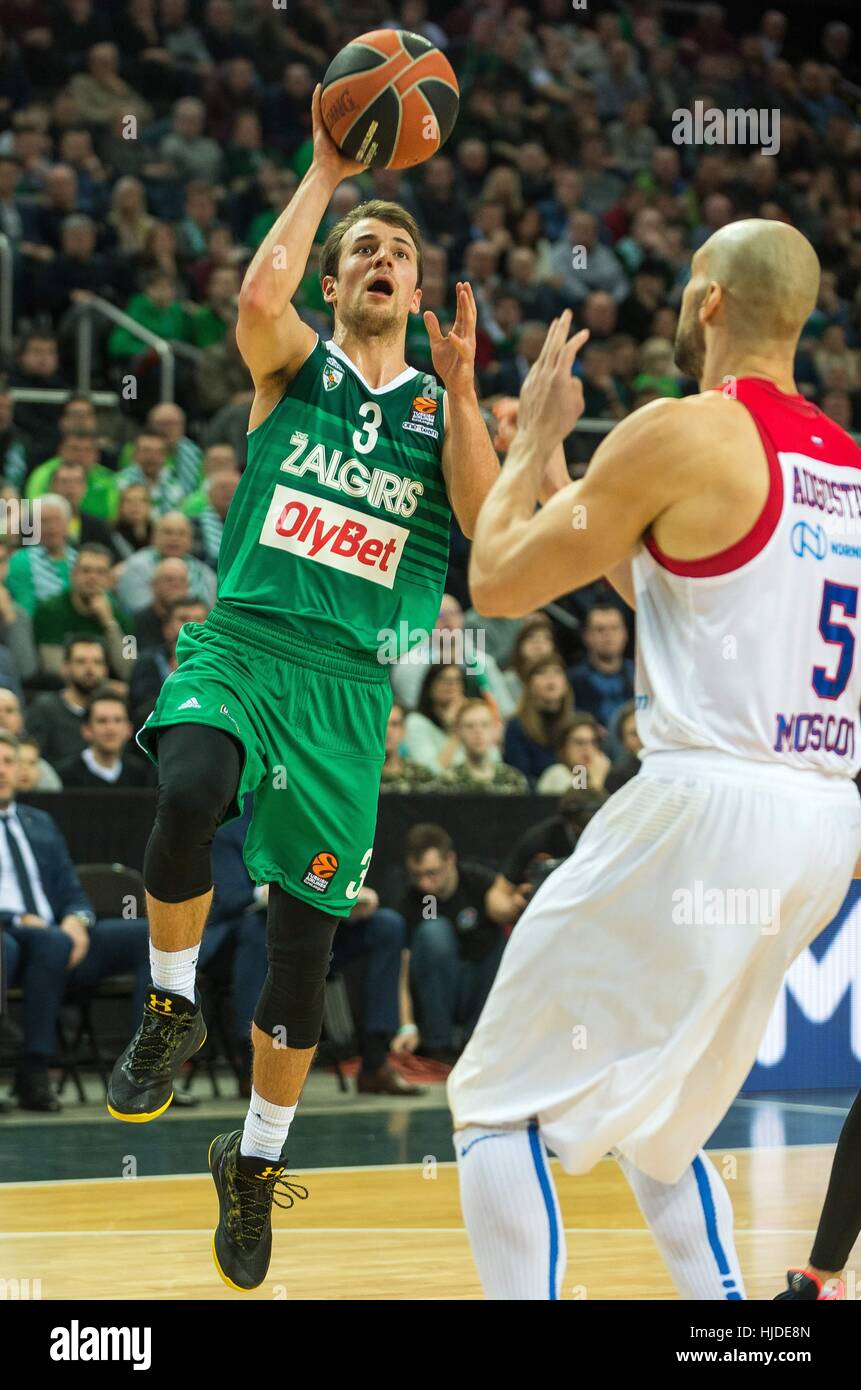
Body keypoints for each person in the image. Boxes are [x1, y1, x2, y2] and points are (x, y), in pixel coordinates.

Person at [106, 83, 499, 1293]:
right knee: (188, 788)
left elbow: (489, 533)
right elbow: (257, 299)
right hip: (245, 639)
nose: (382, 260)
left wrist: (474, 393)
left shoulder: (437, 410)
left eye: (400, 251)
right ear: (336, 283)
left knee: (300, 953)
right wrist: (329, 171)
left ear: (420, 290)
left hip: (346, 689)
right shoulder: (294, 363)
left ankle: (255, 1162)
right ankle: (172, 1006)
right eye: (362, 252)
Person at [447, 219, 861, 1301]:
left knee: (495, 1098)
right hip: (820, 820)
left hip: (708, 803)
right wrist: (551, 474)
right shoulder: (846, 465)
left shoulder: (682, 431)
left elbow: (493, 580)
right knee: (661, 1124)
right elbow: (671, 597)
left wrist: (535, 433)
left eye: (685, 286)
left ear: (711, 300)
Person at [0, 730, 149, 1112]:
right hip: (10, 936)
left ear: (19, 769)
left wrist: (78, 920)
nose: (1, 770)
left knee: (148, 936)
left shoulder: (40, 822)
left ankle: (143, 1068)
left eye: (8, 761)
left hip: (58, 938)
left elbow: (71, 887)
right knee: (36, 943)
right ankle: (34, 1071)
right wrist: (17, 917)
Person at [399, 824, 508, 1064]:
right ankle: (439, 1045)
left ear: (450, 860)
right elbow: (402, 969)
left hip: (478, 986)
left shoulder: (480, 882)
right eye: (417, 876)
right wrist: (406, 1025)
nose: (424, 884)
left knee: (506, 939)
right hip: (437, 997)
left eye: (432, 873)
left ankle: (480, 1040)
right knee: (433, 931)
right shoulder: (411, 899)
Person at [33, 542, 133, 679]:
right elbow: (53, 668)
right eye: (86, 570)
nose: (92, 577)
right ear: (73, 575)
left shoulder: (124, 618)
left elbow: (130, 670)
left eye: (100, 572)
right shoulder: (50, 611)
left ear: (110, 580)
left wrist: (109, 623)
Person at [25, 633, 108, 765]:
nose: (90, 669)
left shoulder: (114, 710)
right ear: (65, 667)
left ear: (105, 669)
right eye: (81, 661)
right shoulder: (44, 710)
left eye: (97, 662)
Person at [56, 689, 155, 788]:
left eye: (118, 720)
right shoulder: (64, 775)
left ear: (129, 729)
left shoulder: (141, 774)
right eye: (102, 721)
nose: (110, 728)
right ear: (87, 730)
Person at [444, 699, 528, 793]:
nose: (478, 732)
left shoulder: (513, 780)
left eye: (485, 725)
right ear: (458, 731)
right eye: (469, 726)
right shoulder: (448, 781)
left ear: (495, 729)